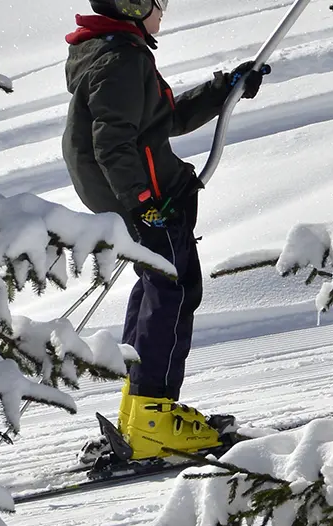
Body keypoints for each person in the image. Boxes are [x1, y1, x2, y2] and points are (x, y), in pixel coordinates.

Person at [62, 0, 268, 461]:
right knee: (173, 292)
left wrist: (225, 90)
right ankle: (154, 417)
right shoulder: (121, 60)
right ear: (133, 5)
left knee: (161, 288)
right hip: (146, 202)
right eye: (158, 1)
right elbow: (111, 143)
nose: (164, 10)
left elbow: (164, 119)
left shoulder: (118, 52)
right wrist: (143, 204)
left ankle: (140, 409)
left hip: (142, 199)